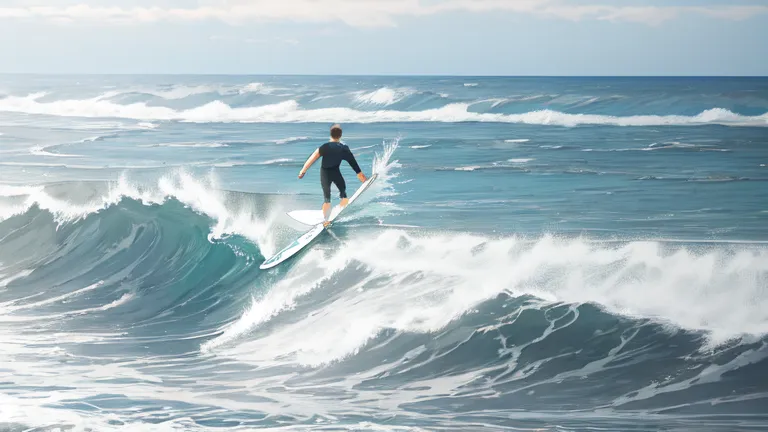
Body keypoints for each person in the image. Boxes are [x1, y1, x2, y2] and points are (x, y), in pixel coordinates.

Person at [298, 124, 367, 226]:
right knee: (344, 195)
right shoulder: (344, 149)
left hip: (325, 173)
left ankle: (326, 220)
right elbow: (354, 164)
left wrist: (302, 171)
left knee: (327, 199)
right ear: (340, 135)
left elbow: (312, 159)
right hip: (336, 173)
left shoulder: (324, 147)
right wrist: (363, 178)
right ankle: (338, 211)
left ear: (330, 134)